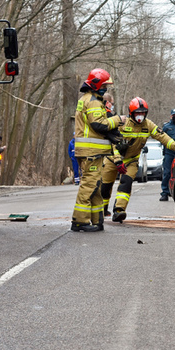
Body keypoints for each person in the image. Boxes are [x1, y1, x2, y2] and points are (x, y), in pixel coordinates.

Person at [101, 97, 175, 223]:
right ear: (131, 113)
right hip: (112, 158)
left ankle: (119, 210)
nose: (140, 116)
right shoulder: (122, 123)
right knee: (105, 185)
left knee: (126, 182)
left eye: (143, 113)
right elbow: (113, 143)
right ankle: (102, 209)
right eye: (137, 113)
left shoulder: (148, 125)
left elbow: (163, 137)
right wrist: (117, 160)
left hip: (131, 160)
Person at [71, 68, 123, 232]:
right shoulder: (92, 101)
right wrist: (118, 120)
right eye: (104, 85)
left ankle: (95, 220)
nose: (105, 89)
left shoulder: (88, 99)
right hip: (90, 152)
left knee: (95, 187)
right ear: (96, 84)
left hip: (92, 152)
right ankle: (80, 221)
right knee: (89, 186)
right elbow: (99, 124)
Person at [159, 108, 175, 201]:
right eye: (173, 115)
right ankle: (165, 192)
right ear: (171, 116)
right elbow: (162, 138)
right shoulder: (167, 127)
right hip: (169, 153)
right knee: (167, 173)